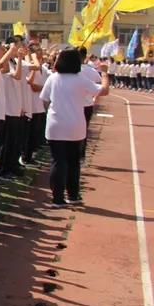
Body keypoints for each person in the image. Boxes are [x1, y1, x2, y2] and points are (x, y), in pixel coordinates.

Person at [41, 48, 110, 207]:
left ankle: (57, 198)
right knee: (73, 161)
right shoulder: (81, 79)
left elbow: (44, 99)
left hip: (55, 124)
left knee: (58, 161)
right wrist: (105, 73)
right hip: (75, 125)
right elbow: (104, 90)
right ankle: (73, 195)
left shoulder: (53, 78)